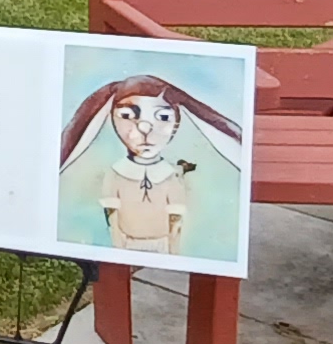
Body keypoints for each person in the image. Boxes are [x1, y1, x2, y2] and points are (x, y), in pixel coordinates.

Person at [57, 74, 244, 255]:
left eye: (163, 117)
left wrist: (173, 253)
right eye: (127, 115)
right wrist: (117, 250)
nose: (145, 128)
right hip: (124, 243)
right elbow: (112, 217)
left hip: (162, 245)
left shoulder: (171, 175)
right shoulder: (115, 173)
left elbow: (175, 219)